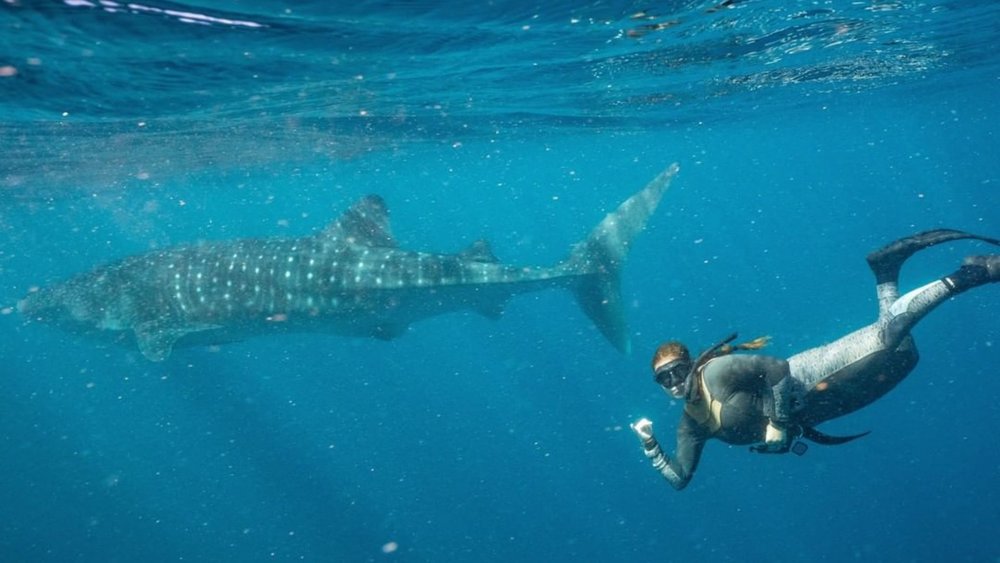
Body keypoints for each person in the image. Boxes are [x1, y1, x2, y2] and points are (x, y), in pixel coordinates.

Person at [631, 229, 1000, 490]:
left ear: (692, 362)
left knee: (888, 338)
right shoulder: (689, 428)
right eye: (664, 380)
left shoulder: (717, 373)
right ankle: (886, 272)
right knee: (904, 355)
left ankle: (975, 273)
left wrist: (776, 422)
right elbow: (680, 479)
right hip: (822, 406)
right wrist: (650, 443)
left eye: (678, 371)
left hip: (812, 375)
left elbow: (777, 368)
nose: (675, 382)